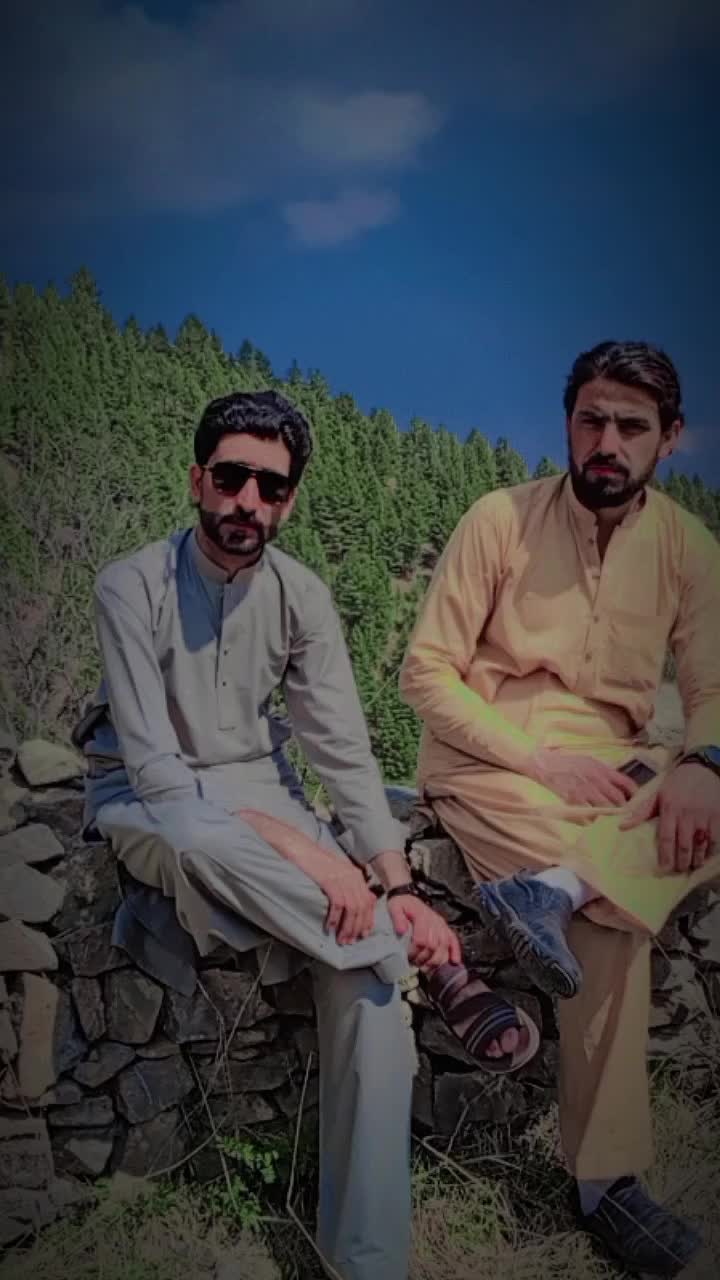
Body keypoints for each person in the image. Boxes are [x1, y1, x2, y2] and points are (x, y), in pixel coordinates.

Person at [80, 389, 539, 1280]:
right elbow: (162, 777)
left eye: (272, 487)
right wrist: (317, 861)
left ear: (289, 501)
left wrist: (392, 880)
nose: (248, 501)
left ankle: (366, 1262)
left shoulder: (302, 596)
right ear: (197, 480)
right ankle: (419, 959)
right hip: (147, 797)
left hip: (265, 792)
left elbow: (342, 752)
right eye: (231, 478)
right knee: (198, 843)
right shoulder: (129, 586)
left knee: (368, 991)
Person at [399, 341, 720, 1278]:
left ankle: (556, 889)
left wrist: (701, 763)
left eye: (631, 426)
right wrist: (540, 758)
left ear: (671, 437)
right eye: (592, 420)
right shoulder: (500, 519)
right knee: (619, 920)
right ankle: (607, 1185)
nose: (607, 442)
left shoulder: (690, 550)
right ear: (569, 424)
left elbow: (712, 689)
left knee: (698, 808)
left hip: (617, 772)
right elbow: (426, 672)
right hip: (492, 763)